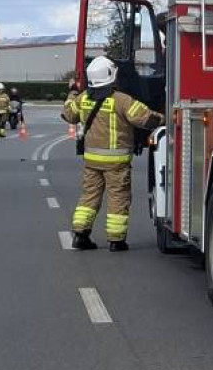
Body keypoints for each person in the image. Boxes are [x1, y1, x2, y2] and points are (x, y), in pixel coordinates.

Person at [61, 56, 163, 251]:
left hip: (91, 161)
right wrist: (164, 118)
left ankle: (80, 235)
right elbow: (145, 118)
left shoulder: (83, 98)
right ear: (110, 75)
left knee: (89, 197)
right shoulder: (121, 100)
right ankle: (116, 241)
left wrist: (72, 92)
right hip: (117, 163)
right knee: (118, 198)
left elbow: (69, 115)